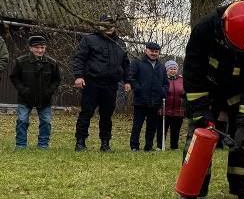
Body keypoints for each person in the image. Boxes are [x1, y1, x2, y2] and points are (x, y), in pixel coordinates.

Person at [181, 0, 244, 199]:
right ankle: (191, 190)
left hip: (239, 93)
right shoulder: (203, 31)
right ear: (223, 28)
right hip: (206, 89)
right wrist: (201, 112)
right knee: (199, 134)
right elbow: (193, 74)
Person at [72, 14, 131, 152]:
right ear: (99, 25)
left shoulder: (120, 43)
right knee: (86, 112)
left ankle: (105, 143)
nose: (109, 27)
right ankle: (80, 142)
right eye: (105, 24)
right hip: (92, 83)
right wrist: (79, 76)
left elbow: (126, 64)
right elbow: (79, 58)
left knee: (107, 115)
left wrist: (127, 80)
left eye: (111, 24)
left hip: (111, 85)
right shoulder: (89, 39)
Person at [10, 35, 61, 149]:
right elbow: (14, 77)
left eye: (42, 47)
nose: (40, 50)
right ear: (30, 48)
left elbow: (56, 80)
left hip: (44, 98)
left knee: (46, 122)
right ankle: (21, 145)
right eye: (37, 47)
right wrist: (23, 90)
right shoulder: (21, 62)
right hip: (25, 98)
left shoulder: (52, 63)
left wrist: (49, 91)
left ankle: (43, 145)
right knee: (22, 121)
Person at [129, 42, 168, 151]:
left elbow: (166, 83)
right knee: (137, 125)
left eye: (156, 52)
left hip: (155, 101)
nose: (154, 53)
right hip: (140, 100)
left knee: (152, 126)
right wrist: (138, 88)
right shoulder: (137, 63)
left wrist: (163, 92)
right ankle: (134, 146)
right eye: (151, 51)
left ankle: (148, 146)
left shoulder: (161, 66)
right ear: (146, 50)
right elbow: (131, 78)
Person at [161, 60, 184, 150]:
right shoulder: (163, 79)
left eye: (175, 69)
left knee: (176, 129)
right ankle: (161, 145)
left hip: (178, 110)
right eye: (171, 69)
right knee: (163, 129)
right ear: (166, 70)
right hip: (165, 109)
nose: (173, 70)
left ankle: (174, 146)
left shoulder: (181, 79)